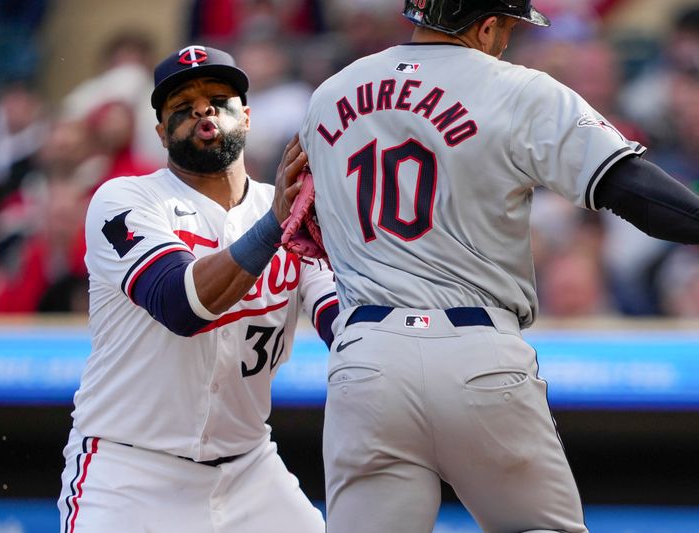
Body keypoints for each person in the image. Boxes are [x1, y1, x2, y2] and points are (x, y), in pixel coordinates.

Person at [297, 1, 699, 532]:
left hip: (364, 359)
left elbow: (300, 229)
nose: (506, 40)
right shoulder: (517, 87)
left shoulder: (328, 95)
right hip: (475, 349)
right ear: (486, 25)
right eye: (506, 27)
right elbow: (639, 194)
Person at [57, 45, 337, 533]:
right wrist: (276, 224)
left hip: (250, 470)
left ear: (247, 117)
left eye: (219, 98)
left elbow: (339, 321)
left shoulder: (287, 209)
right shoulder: (124, 200)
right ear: (161, 132)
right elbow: (181, 305)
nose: (203, 109)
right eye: (182, 105)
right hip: (129, 473)